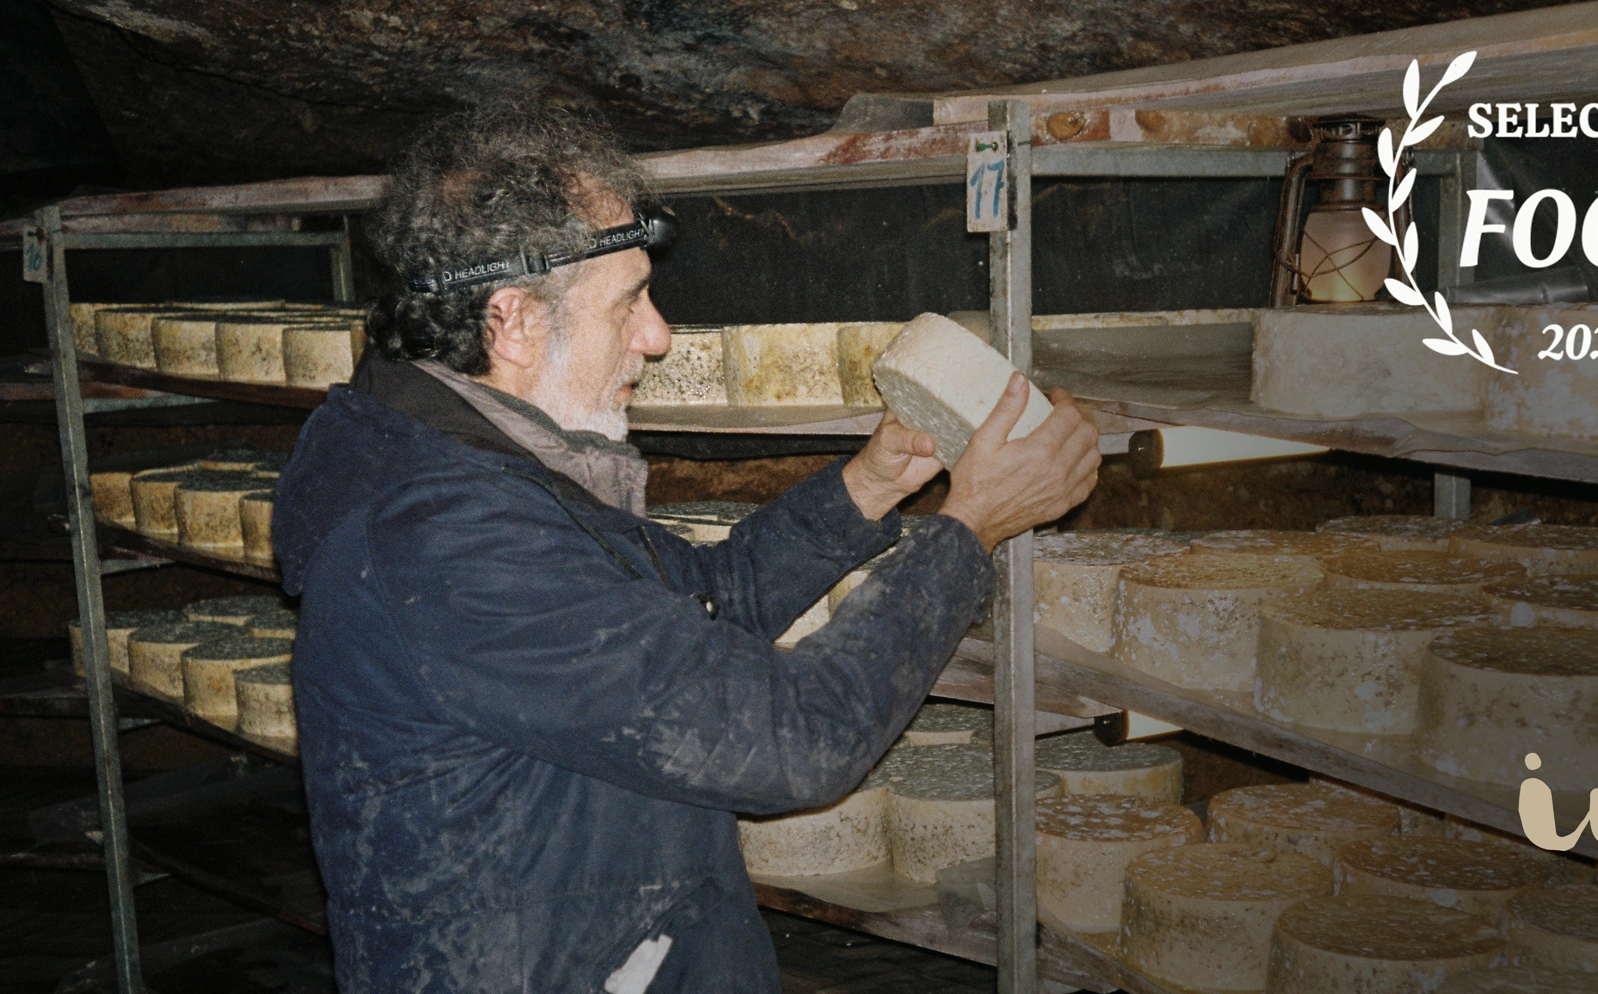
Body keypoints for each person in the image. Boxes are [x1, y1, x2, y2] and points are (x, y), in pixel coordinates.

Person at [272, 104, 1101, 994]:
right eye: (629, 300)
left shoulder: (478, 462)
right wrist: (968, 530)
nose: (657, 335)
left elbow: (697, 606)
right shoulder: (444, 540)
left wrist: (870, 486)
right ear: (509, 323)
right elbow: (796, 740)